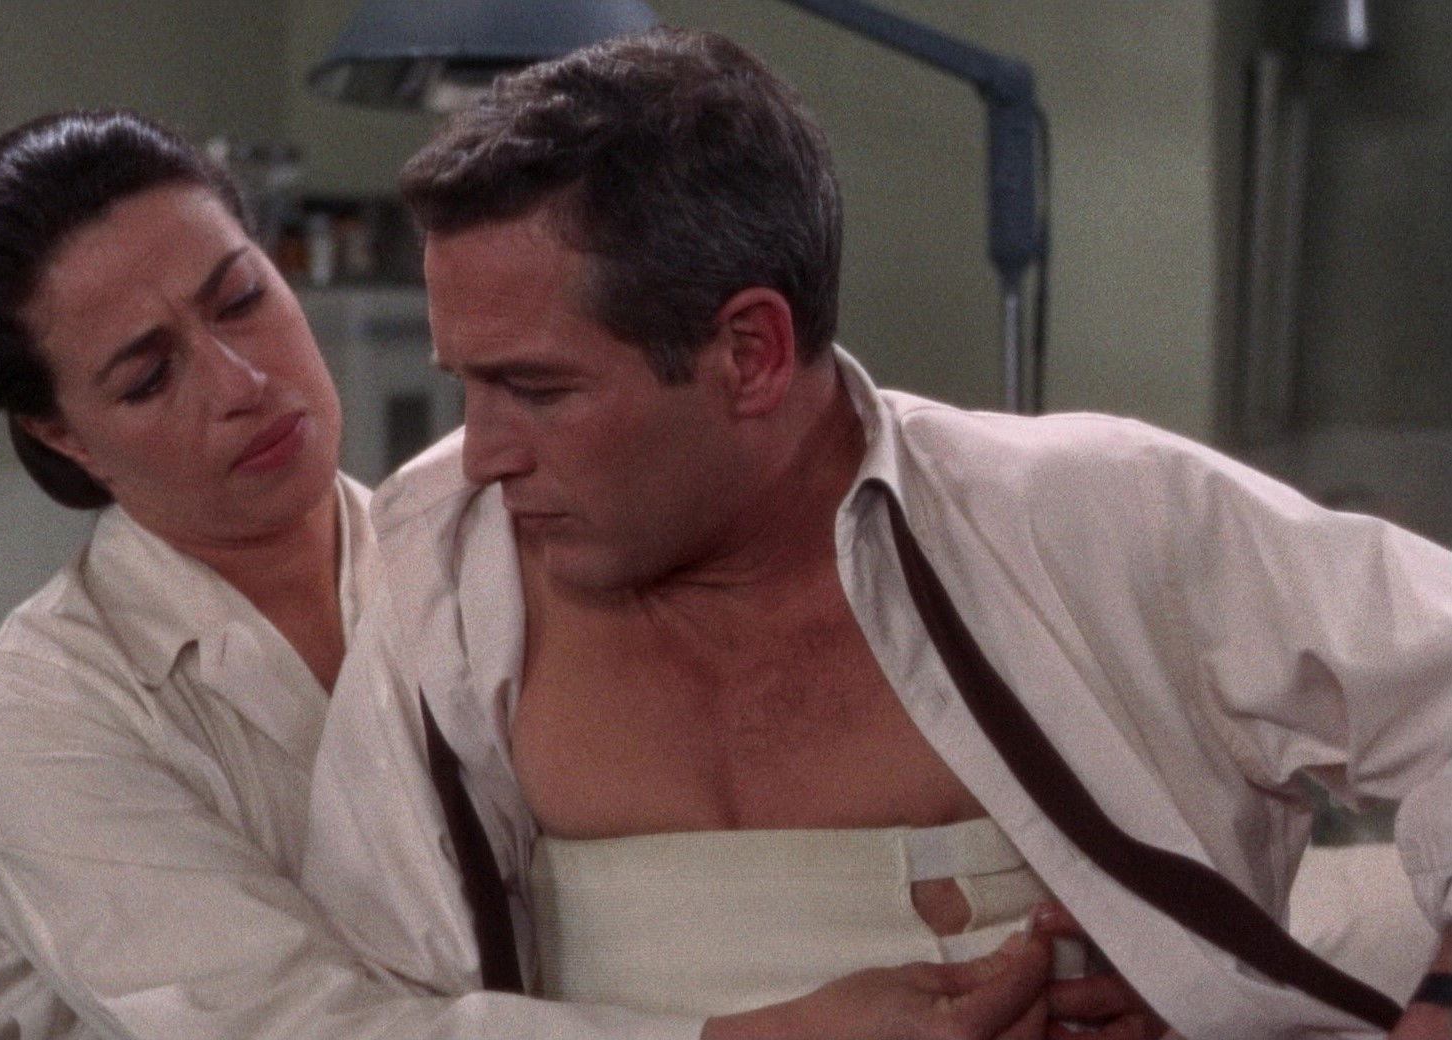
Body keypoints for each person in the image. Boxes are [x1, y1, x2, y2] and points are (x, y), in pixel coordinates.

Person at [300, 27, 1452, 1040]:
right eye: (464, 383)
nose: (484, 450)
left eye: (537, 389)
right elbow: (350, 1009)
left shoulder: (1086, 513)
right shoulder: (445, 571)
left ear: (749, 353)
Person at [0, 107, 1058, 1040]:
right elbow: (289, 1028)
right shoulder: (39, 713)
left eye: (241, 300)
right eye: (147, 377)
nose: (241, 382)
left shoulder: (479, 553)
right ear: (61, 434)